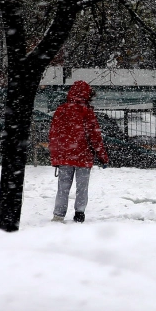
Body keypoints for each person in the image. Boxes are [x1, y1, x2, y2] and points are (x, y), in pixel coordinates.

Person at [48, 80, 109, 223]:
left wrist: (55, 156)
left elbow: (54, 134)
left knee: (63, 187)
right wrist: (103, 157)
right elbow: (95, 137)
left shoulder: (60, 110)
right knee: (82, 187)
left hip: (64, 156)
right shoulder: (87, 112)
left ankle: (58, 215)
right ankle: (79, 213)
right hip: (83, 155)